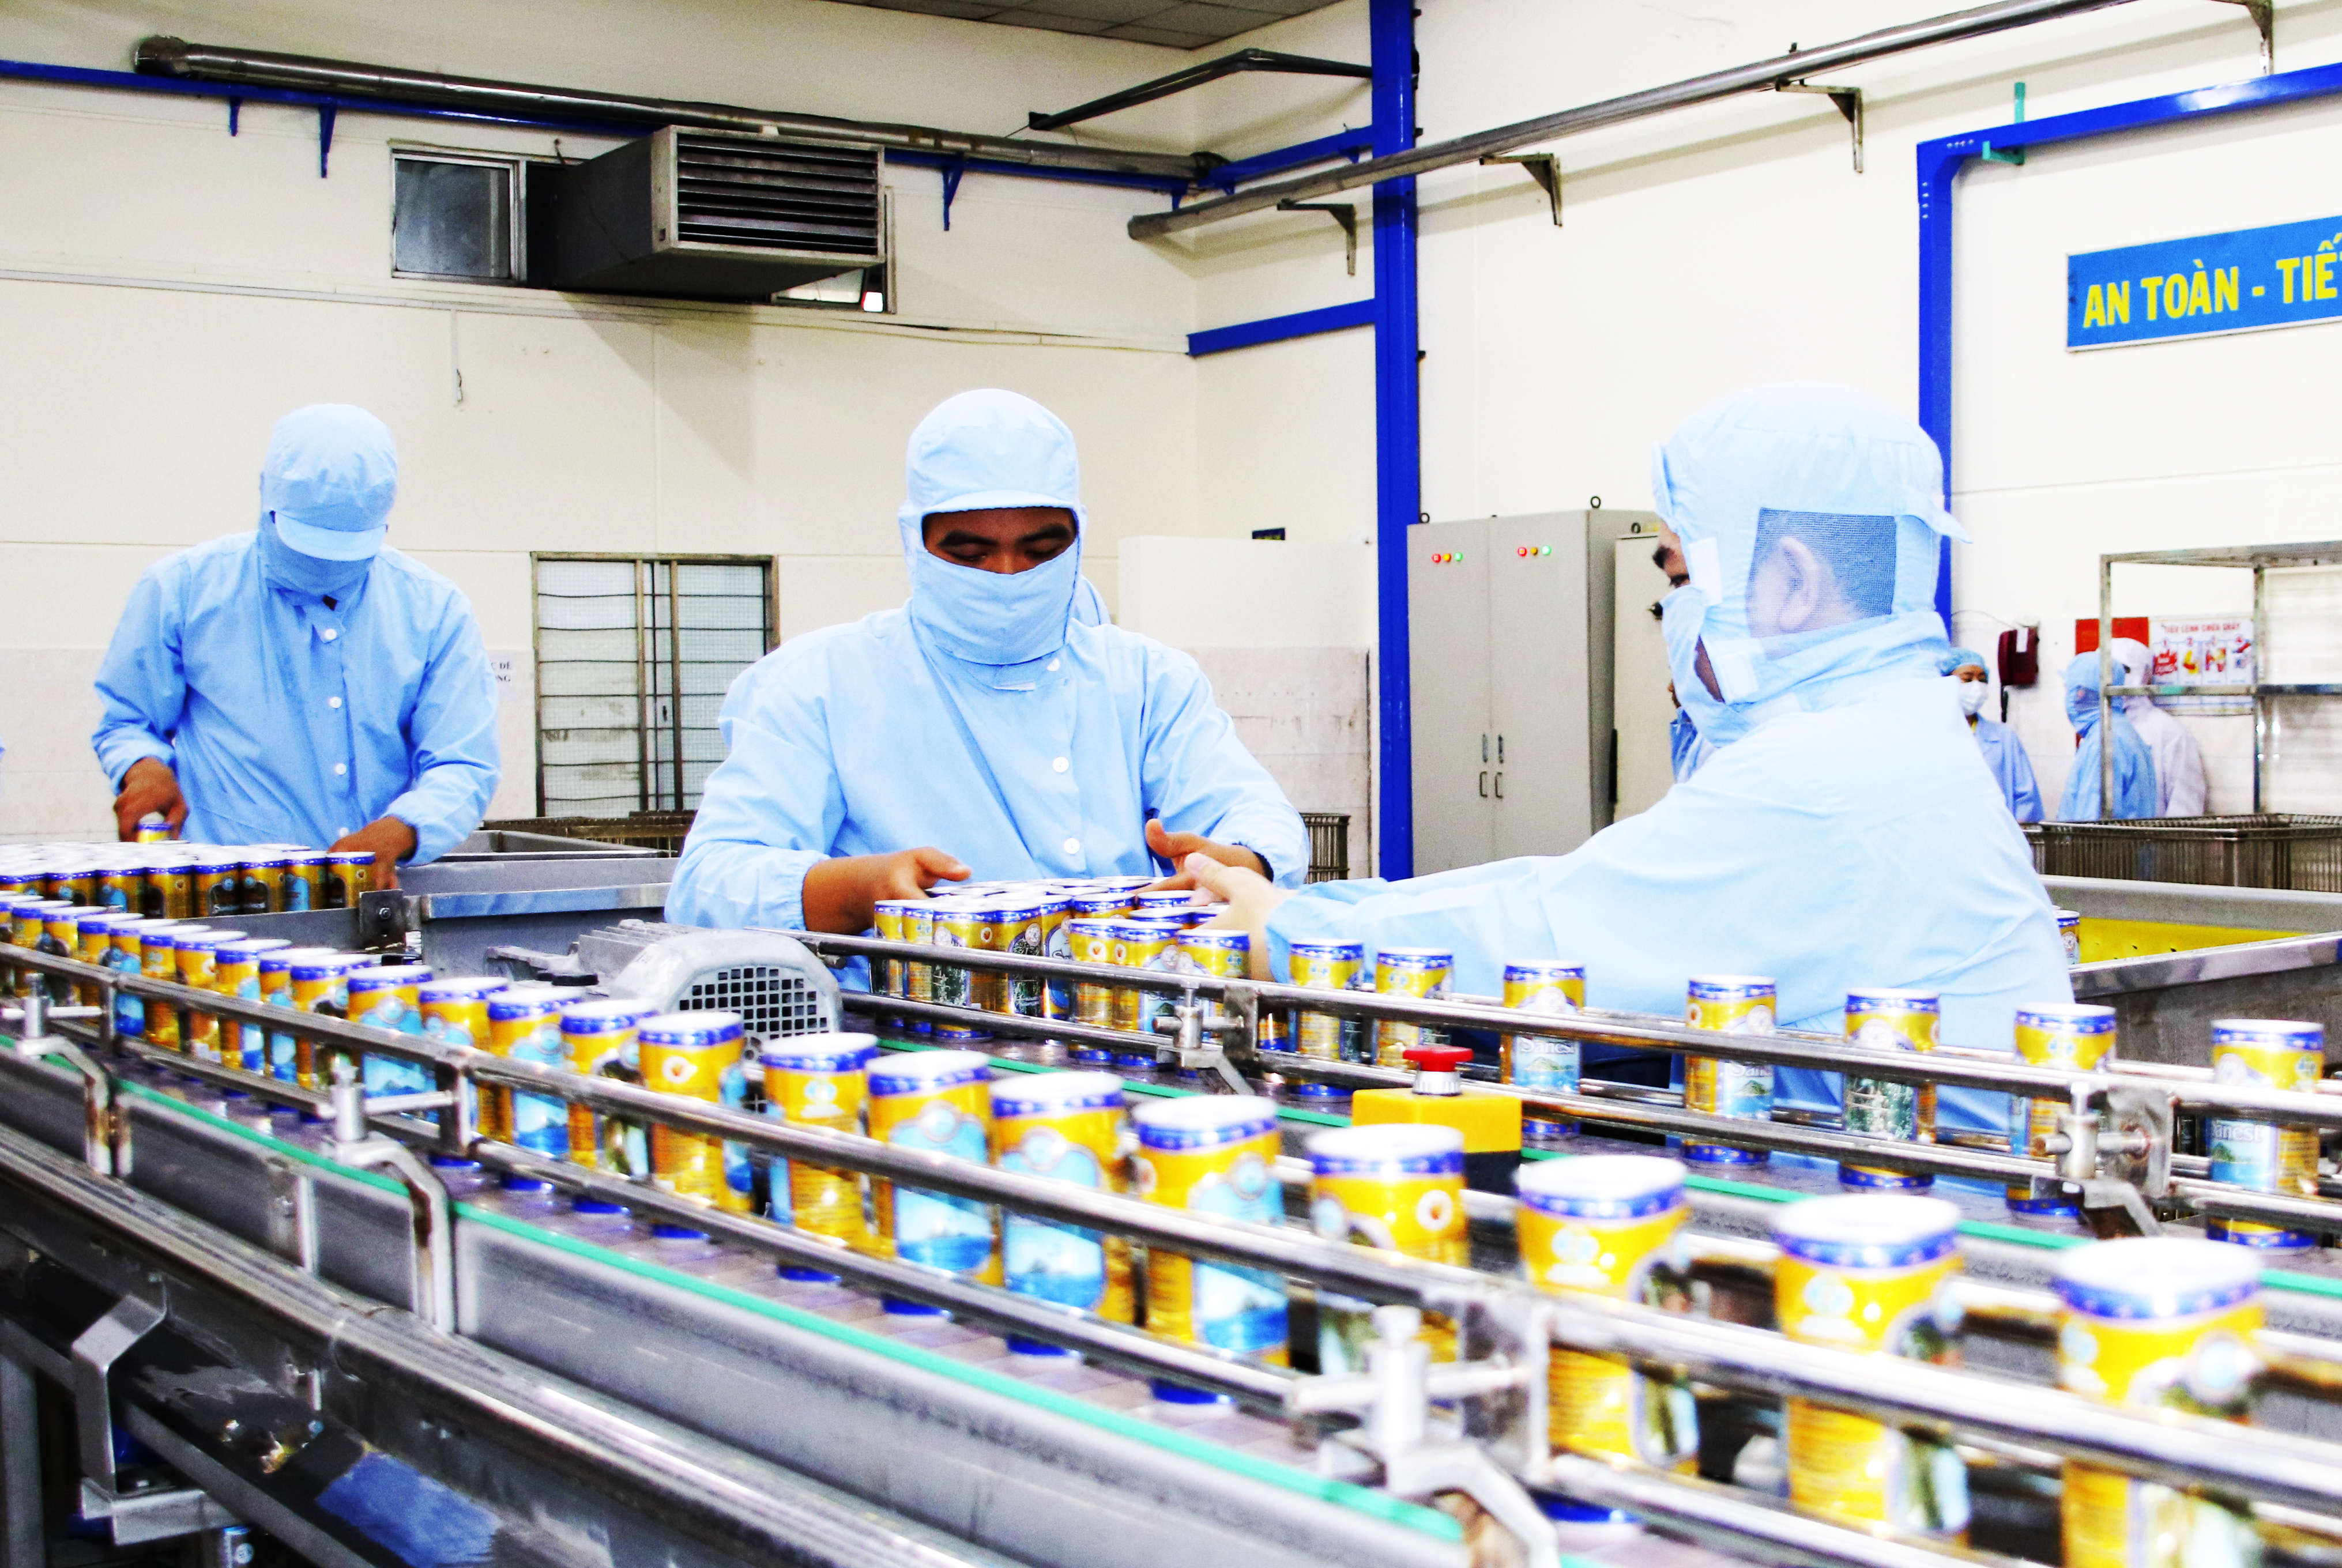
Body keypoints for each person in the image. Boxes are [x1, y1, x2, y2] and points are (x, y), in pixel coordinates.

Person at [1175, 382, 2070, 1147]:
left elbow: (1550, 939)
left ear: (1793, 583)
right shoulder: (1883, 728)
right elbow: (1593, 886)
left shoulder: (1823, 775)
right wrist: (1324, 905)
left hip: (1939, 1233)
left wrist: (1290, 932)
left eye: (1677, 578)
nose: (1669, 615)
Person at [667, 388, 1309, 936]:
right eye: (971, 552)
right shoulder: (819, 682)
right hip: (902, 1031)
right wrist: (859, 888)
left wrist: (1241, 862)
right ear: (914, 542)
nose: (1007, 575)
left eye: (1040, 549)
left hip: (1133, 1010)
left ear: (1078, 537)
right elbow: (708, 882)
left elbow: (1254, 813)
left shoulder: (1145, 679)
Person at [92, 405, 500, 885]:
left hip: (372, 900)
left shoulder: (434, 611)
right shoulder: (182, 591)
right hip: (223, 898)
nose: (323, 567)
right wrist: (143, 767)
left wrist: (400, 831)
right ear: (265, 496)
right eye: (306, 545)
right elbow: (128, 720)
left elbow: (463, 761)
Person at [1942, 647, 2042, 823]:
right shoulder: (1932, 737)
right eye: (1967, 679)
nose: (1976, 686)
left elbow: (2026, 795)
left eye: (1982, 680)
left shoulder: (2003, 736)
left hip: (1998, 834)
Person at [2055, 653, 2158, 821]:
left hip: (2106, 848)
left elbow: (2091, 826)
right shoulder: (2124, 732)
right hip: (2132, 847)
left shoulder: (2103, 742)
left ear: (2081, 693)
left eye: (2070, 689)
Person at [2111, 637, 2207, 815]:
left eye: (2124, 669)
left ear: (2146, 676)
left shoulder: (2171, 733)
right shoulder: (2099, 730)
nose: (2114, 678)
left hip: (2154, 842)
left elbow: (2185, 812)